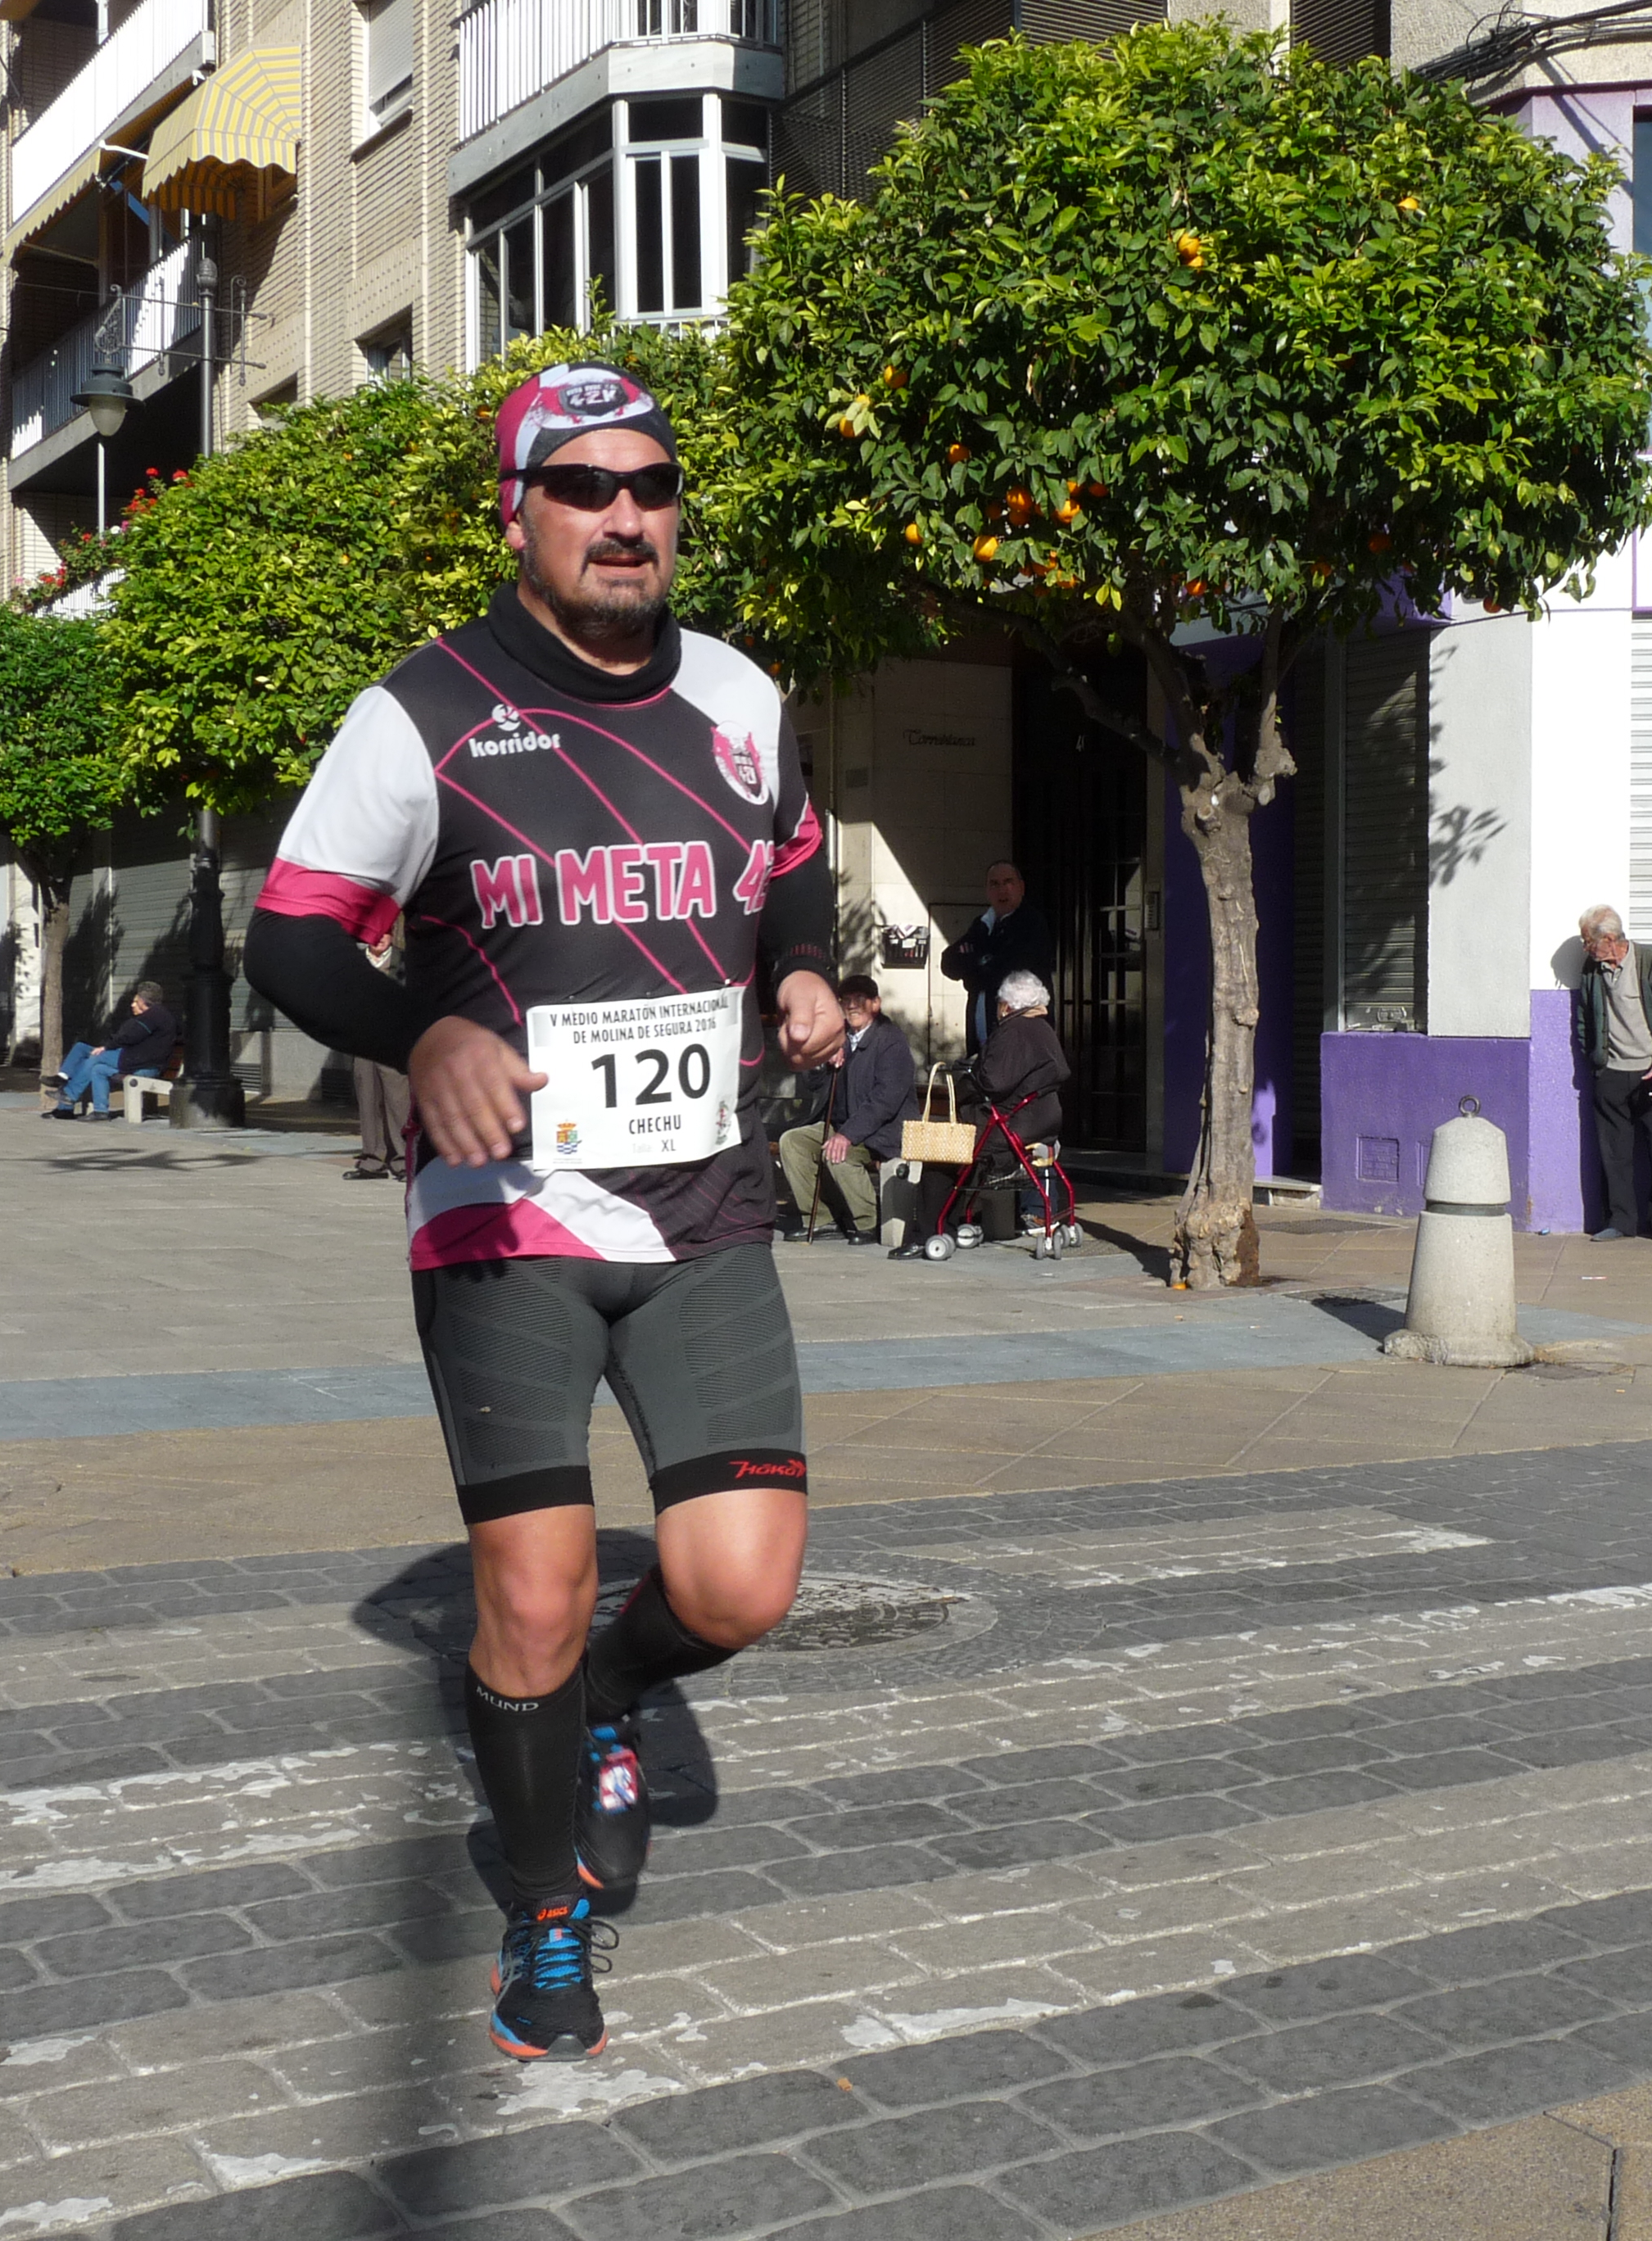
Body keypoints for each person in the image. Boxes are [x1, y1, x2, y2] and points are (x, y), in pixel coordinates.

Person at [242, 362, 840, 2066]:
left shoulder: (737, 693)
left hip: (705, 1207)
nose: (625, 515)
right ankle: (543, 1905)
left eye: (651, 484)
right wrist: (418, 1033)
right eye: (584, 488)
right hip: (503, 1222)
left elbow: (792, 857)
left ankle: (611, 1698)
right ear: (517, 517)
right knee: (530, 1595)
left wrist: (803, 966)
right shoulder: (421, 712)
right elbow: (290, 937)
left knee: (740, 1585)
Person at [775, 975, 913, 1243]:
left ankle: (867, 1222)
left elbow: (885, 1100)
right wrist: (823, 1058)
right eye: (846, 1000)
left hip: (882, 1133)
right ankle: (822, 1219)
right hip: (843, 1126)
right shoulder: (842, 1038)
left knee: (839, 1152)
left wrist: (847, 1135)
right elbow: (814, 1083)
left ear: (875, 1004)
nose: (852, 1006)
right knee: (793, 1142)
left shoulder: (890, 1040)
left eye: (859, 999)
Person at [1575, 906, 1652, 1243]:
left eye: (1587, 941)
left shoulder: (1650, 960)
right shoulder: (1592, 971)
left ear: (1609, 939)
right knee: (1614, 1152)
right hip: (1611, 1072)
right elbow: (1583, 1019)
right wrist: (1596, 1062)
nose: (1585, 948)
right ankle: (1620, 1221)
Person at [969, 968, 1070, 1235]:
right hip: (1046, 1117)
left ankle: (967, 1211)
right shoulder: (1044, 1028)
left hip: (1017, 1122)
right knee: (1035, 1152)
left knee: (966, 1141)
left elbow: (995, 1081)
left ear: (1007, 1004)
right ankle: (1040, 1211)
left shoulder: (1012, 1031)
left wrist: (976, 1071)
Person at [939, 859, 1052, 1048]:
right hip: (981, 1041)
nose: (1002, 890)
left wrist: (972, 972)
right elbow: (949, 963)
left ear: (1021, 887)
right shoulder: (982, 925)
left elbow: (1005, 972)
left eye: (1008, 882)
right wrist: (983, 962)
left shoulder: (1031, 923)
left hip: (1019, 1041)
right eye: (994, 884)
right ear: (987, 890)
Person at [43, 981, 176, 1120]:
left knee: (96, 1058)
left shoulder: (153, 1016)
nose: (132, 1005)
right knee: (92, 1062)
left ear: (143, 1001)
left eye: (136, 1001)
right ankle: (98, 1110)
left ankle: (69, 1096)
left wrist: (106, 1047)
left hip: (143, 1065)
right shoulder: (154, 1016)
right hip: (135, 1059)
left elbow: (129, 1037)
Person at [348, 937, 414, 1181]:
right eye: (376, 934)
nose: (381, 938)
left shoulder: (404, 961)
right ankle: (372, 1161)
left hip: (393, 1041)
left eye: (385, 933)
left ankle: (403, 1161)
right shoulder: (353, 962)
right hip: (363, 1042)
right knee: (368, 1098)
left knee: (398, 1100)